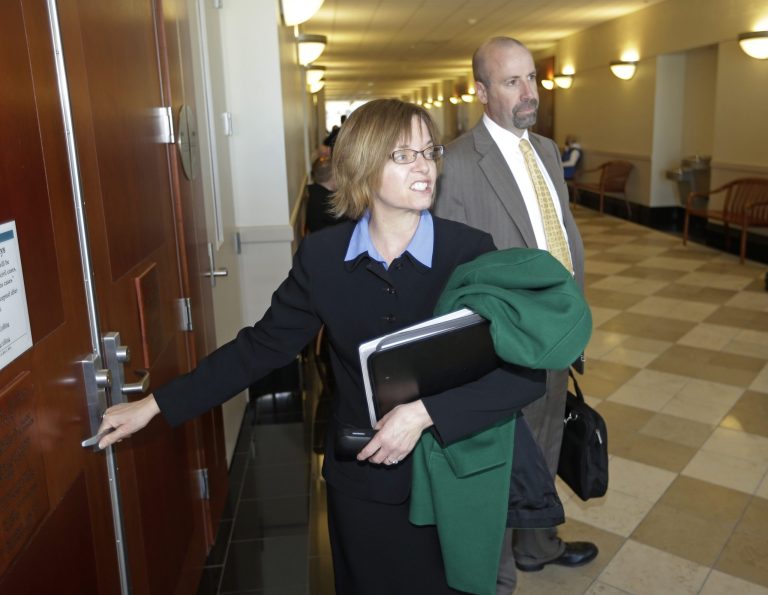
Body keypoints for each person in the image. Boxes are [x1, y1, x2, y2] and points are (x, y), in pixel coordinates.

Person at [97, 98, 550, 594]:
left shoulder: (471, 251)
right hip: (364, 481)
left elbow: (522, 374)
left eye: (429, 151)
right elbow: (261, 348)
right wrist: (156, 404)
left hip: (453, 478)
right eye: (403, 155)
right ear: (361, 165)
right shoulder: (324, 257)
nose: (425, 166)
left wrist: (427, 414)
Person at [434, 37, 597, 594]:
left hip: (553, 329)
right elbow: (451, 272)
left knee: (548, 433)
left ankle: (537, 542)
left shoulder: (547, 150)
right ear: (480, 92)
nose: (529, 93)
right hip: (502, 341)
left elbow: (561, 234)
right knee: (507, 452)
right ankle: (496, 571)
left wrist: (574, 310)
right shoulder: (455, 164)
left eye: (532, 78)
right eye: (512, 82)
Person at [305, 155, 346, 233]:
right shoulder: (323, 200)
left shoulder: (316, 190)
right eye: (339, 175)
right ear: (333, 178)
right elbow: (344, 220)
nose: (342, 179)